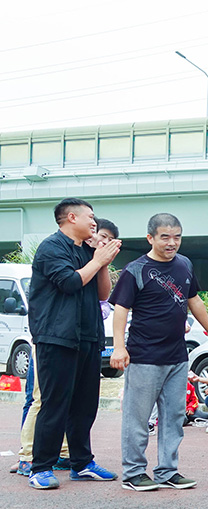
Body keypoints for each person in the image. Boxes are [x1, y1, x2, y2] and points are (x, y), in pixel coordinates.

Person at [109, 213, 208, 491]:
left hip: (177, 357)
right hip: (144, 355)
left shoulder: (184, 264)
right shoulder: (135, 270)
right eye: (165, 237)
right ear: (151, 238)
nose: (172, 243)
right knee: (137, 417)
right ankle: (134, 472)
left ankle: (167, 471)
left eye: (177, 237)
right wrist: (119, 347)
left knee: (174, 417)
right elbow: (120, 310)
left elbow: (194, 300)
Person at [26, 198, 121, 489]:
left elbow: (103, 294)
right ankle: (40, 467)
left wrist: (102, 260)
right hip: (57, 337)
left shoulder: (88, 252)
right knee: (55, 403)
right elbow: (68, 282)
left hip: (88, 336)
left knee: (85, 403)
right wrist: (97, 259)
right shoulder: (51, 247)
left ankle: (82, 463)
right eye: (90, 217)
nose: (94, 222)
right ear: (71, 218)